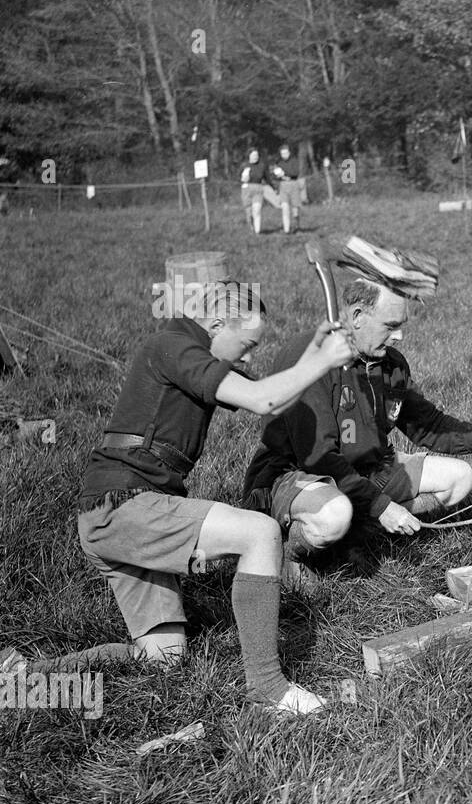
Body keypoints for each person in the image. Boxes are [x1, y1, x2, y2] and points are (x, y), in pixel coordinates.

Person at [77, 277, 354, 715]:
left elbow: (274, 399)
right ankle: (266, 687)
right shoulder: (173, 345)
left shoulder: (190, 350)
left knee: (162, 657)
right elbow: (262, 400)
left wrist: (315, 354)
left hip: (118, 515)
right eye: (246, 344)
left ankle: (25, 672)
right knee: (261, 533)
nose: (249, 356)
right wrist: (323, 363)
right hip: (122, 506)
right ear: (217, 322)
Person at [243, 278, 472, 576]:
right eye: (390, 325)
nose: (398, 336)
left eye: (401, 325)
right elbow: (319, 457)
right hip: (300, 474)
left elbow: (426, 423)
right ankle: (294, 553)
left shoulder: (390, 363)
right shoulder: (309, 357)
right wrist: (381, 505)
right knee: (333, 515)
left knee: (460, 478)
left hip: (371, 468)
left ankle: (360, 534)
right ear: (358, 316)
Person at [239, 148, 276, 235]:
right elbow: (238, 177)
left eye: (257, 155)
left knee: (257, 209)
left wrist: (274, 187)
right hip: (246, 189)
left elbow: (267, 178)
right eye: (253, 155)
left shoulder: (262, 166)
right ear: (249, 156)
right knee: (249, 211)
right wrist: (242, 179)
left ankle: (257, 231)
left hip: (258, 188)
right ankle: (251, 225)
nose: (255, 157)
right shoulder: (244, 165)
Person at [271, 144, 303, 234]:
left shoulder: (295, 161)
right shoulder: (279, 163)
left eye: (286, 153)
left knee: (295, 207)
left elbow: (295, 172)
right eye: (282, 153)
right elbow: (274, 175)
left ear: (289, 152)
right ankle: (286, 229)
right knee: (284, 207)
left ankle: (296, 226)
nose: (284, 155)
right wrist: (278, 175)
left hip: (293, 184)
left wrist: (285, 174)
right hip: (283, 185)